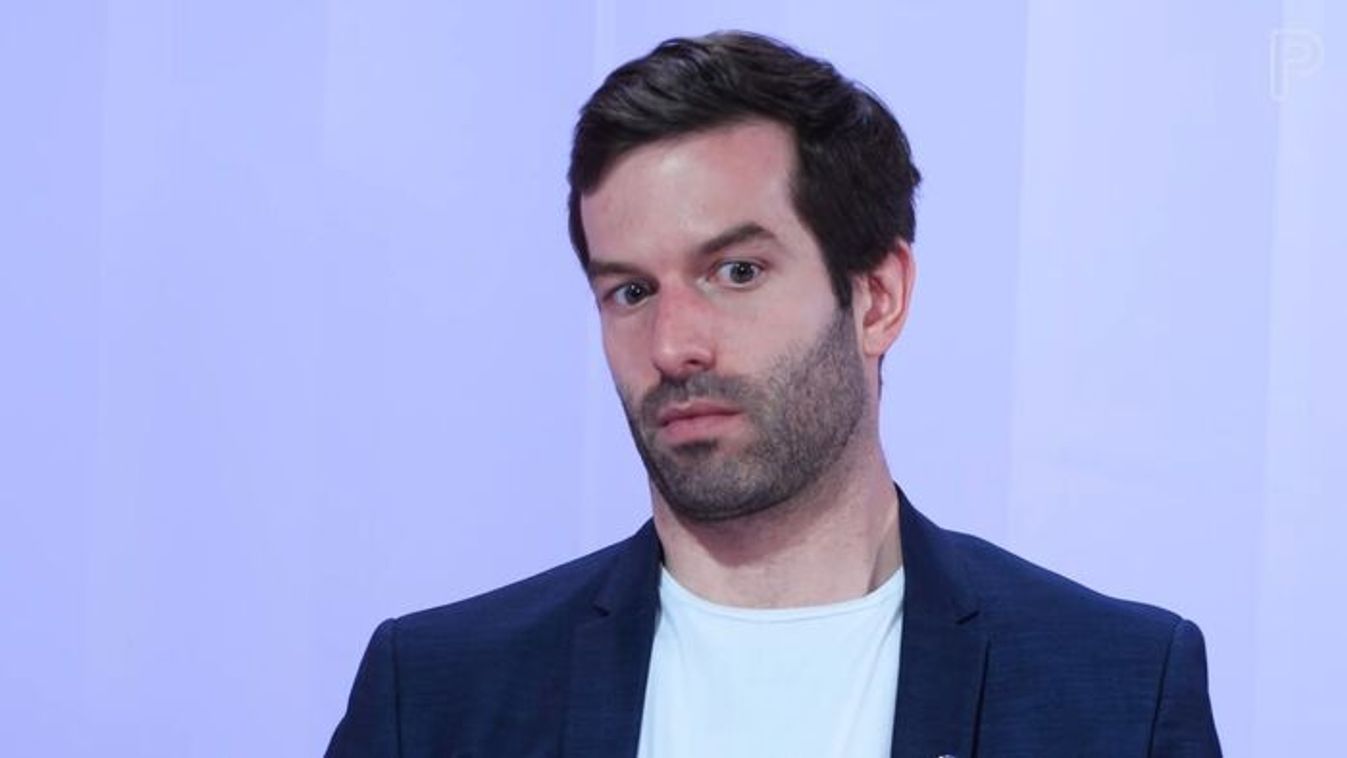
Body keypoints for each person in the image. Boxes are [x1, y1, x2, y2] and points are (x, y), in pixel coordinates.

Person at [326, 31, 1221, 757]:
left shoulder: (1115, 690)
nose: (672, 345)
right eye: (630, 291)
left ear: (877, 298)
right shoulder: (439, 693)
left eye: (737, 272)